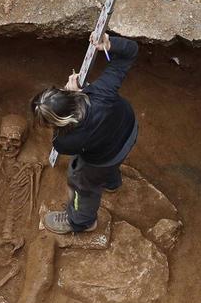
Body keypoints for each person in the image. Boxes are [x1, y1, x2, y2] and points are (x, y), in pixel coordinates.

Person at [32, 32, 140, 234]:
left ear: (58, 124)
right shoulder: (102, 92)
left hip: (102, 158)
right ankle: (112, 183)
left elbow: (61, 138)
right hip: (128, 131)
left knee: (81, 183)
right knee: (110, 163)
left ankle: (82, 221)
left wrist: (79, 95)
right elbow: (130, 53)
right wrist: (110, 44)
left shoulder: (66, 142)